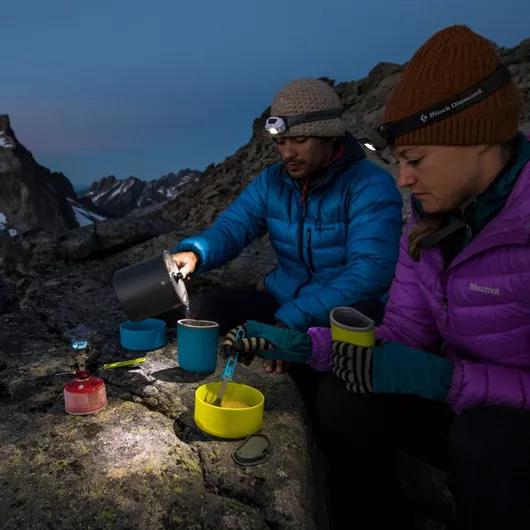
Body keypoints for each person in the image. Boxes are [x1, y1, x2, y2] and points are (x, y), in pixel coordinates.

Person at [224, 25, 530, 530]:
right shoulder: (431, 224)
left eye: (415, 160)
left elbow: (368, 275)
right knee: (344, 392)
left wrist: (447, 379)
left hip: (500, 423)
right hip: (456, 396)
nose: (403, 179)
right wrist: (306, 346)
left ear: (479, 141)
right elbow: (404, 331)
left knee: (484, 441)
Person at [170, 77, 403, 381]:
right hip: (283, 301)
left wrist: (291, 322)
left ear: (330, 135)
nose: (287, 153)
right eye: (281, 142)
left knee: (327, 370)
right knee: (208, 309)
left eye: (300, 140)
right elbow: (233, 226)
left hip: (345, 311)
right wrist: (196, 254)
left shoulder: (370, 185)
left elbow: (369, 275)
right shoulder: (273, 181)